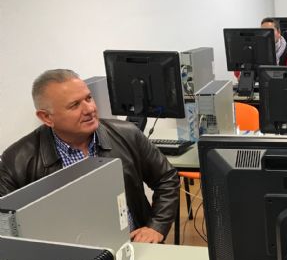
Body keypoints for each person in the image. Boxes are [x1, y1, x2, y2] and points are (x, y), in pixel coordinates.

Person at [0, 69, 180, 243]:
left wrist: (156, 226)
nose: (90, 109)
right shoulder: (16, 161)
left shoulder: (127, 134)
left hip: (133, 246)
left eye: (88, 98)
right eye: (74, 105)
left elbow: (166, 178)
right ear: (46, 117)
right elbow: (6, 226)